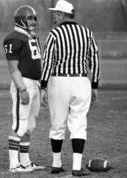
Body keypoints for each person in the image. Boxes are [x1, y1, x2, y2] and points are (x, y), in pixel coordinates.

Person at [40, 0, 100, 176]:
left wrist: (43, 86)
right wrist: (94, 85)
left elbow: (47, 61)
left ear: (61, 14)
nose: (54, 16)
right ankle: (76, 166)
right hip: (81, 82)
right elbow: (94, 61)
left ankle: (56, 163)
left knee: (57, 124)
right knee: (78, 124)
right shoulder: (87, 33)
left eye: (55, 14)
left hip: (59, 81)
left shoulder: (54, 34)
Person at [3, 5, 45, 173]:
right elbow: (13, 68)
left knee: (29, 126)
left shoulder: (31, 36)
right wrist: (21, 88)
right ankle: (14, 164)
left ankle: (25, 162)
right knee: (20, 125)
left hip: (35, 83)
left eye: (34, 18)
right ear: (21, 19)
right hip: (24, 83)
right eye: (30, 18)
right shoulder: (13, 37)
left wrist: (42, 87)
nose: (33, 21)